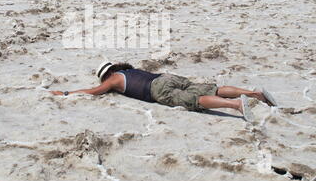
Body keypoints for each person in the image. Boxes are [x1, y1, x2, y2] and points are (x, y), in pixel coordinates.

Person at [50, 61, 278, 122]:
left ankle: (236, 105)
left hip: (157, 89)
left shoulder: (113, 80)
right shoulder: (131, 70)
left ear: (106, 74)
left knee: (196, 100)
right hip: (166, 77)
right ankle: (253, 93)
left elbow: (94, 91)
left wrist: (67, 93)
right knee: (213, 88)